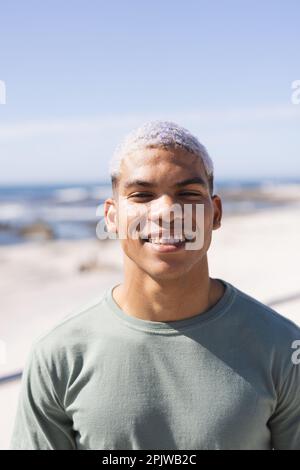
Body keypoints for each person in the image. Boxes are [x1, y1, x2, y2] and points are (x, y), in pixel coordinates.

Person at [10, 121, 300, 450]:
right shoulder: (58, 356)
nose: (166, 211)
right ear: (111, 216)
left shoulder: (283, 347)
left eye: (188, 194)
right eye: (142, 195)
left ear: (215, 213)